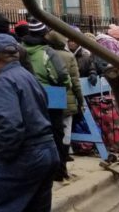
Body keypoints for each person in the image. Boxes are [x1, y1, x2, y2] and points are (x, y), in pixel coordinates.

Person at [0, 34, 60, 212]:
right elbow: (44, 105)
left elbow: (11, 126)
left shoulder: (4, 82)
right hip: (47, 151)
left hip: (25, 155)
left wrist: (2, 158)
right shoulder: (28, 76)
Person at [20, 19, 72, 182]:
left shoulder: (21, 50)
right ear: (44, 34)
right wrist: (66, 85)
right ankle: (59, 170)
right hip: (52, 95)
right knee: (57, 134)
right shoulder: (48, 51)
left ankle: (37, 170)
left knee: (34, 134)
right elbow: (62, 75)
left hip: (28, 96)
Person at [45, 31, 84, 173]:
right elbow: (75, 81)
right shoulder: (69, 56)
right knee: (66, 128)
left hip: (49, 97)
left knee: (52, 129)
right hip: (67, 97)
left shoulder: (44, 54)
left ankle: (54, 159)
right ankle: (64, 157)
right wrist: (81, 99)